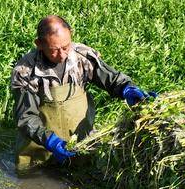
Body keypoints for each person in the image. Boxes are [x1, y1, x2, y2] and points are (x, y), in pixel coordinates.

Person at [10, 15, 156, 171]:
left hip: (79, 146)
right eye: (54, 50)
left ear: (71, 35)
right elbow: (26, 117)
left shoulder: (82, 56)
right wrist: (51, 142)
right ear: (39, 44)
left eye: (65, 47)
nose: (62, 55)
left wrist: (126, 89)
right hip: (40, 150)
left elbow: (111, 79)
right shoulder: (25, 71)